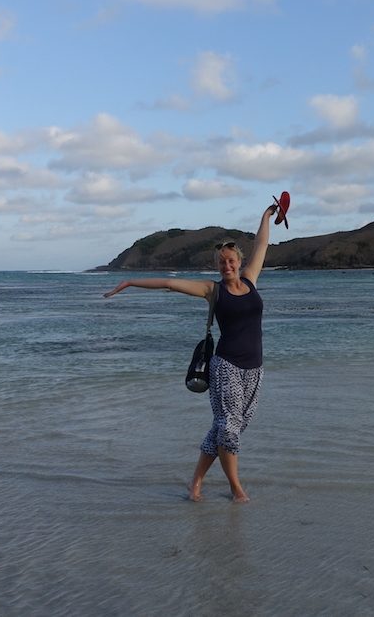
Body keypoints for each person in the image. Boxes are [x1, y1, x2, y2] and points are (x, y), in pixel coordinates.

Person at [103, 203, 277, 503]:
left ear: (239, 261)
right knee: (229, 429)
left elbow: (262, 243)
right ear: (217, 266)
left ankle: (195, 483)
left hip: (255, 368)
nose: (227, 266)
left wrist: (264, 217)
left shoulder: (251, 279)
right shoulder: (213, 291)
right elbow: (170, 283)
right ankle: (237, 489)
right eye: (221, 263)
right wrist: (130, 282)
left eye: (231, 261)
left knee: (231, 426)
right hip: (226, 367)